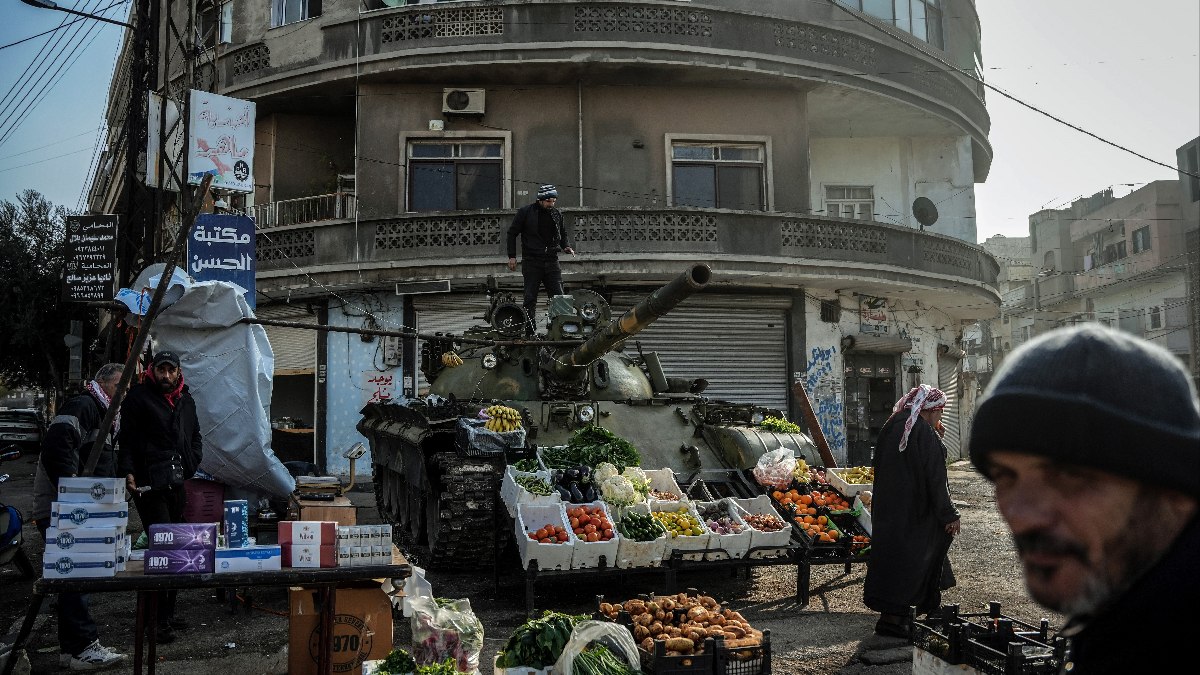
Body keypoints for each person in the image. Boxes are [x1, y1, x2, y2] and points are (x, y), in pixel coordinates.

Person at [969, 324, 1200, 670]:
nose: (1019, 515)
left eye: (1069, 474)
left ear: (1178, 491)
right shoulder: (1127, 629)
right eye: (1005, 475)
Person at [31, 363, 128, 671]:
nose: (123, 395)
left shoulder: (105, 414)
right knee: (75, 575)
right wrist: (74, 494)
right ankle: (83, 648)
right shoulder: (85, 405)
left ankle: (72, 648)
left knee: (72, 576)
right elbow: (58, 446)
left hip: (78, 509)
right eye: (120, 388)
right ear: (106, 385)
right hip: (66, 509)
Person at [118, 351, 204, 643]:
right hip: (149, 485)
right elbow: (126, 439)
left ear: (179, 372)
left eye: (171, 370)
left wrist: (193, 461)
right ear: (152, 371)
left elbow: (195, 434)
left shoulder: (186, 399)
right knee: (163, 548)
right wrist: (128, 471)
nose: (166, 376)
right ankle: (153, 622)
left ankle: (166, 615)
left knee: (177, 548)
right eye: (161, 370)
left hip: (177, 483)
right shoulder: (139, 398)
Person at [862, 383, 961, 637]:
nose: (940, 418)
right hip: (916, 512)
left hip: (889, 512)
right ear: (930, 410)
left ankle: (902, 615)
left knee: (895, 561)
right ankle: (899, 618)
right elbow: (936, 478)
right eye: (940, 412)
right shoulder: (923, 433)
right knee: (916, 559)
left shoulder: (893, 425)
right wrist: (949, 514)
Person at [506, 184, 574, 334]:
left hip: (551, 260)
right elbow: (512, 234)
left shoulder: (556, 214)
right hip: (532, 261)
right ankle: (530, 331)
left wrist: (566, 246)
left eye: (554, 201)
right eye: (549, 201)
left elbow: (563, 233)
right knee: (530, 298)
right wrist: (512, 256)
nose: (551, 204)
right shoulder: (525, 212)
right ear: (540, 200)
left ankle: (561, 330)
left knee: (559, 296)